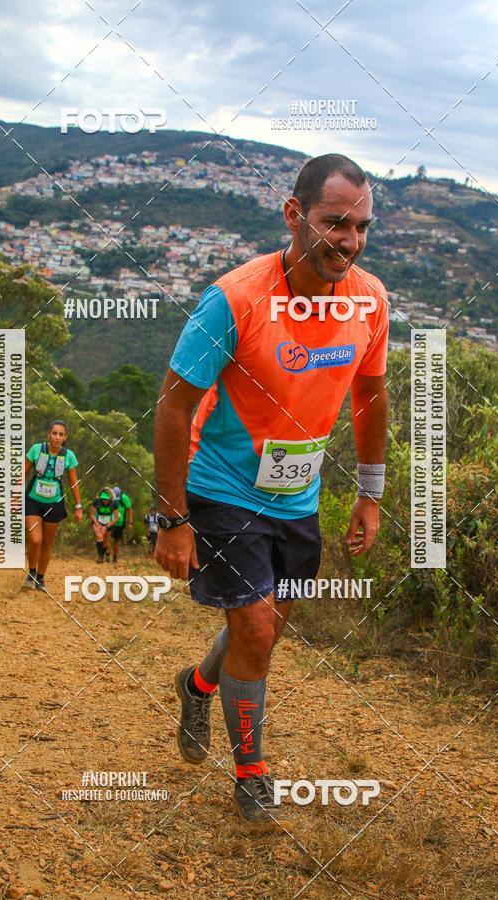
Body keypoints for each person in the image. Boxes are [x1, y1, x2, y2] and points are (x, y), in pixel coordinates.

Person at [154, 154, 389, 830]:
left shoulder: (369, 299)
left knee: (266, 631)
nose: (347, 240)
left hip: (298, 495)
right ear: (294, 215)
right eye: (334, 223)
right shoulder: (235, 298)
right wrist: (171, 516)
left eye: (360, 227)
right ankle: (252, 773)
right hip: (223, 485)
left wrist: (369, 495)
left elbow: (370, 399)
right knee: (254, 626)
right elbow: (173, 407)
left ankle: (197, 684)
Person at [23, 419, 82, 591]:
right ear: (48, 434)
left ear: (65, 437)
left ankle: (40, 578)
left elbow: (73, 482)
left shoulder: (68, 456)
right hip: (33, 500)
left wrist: (78, 506)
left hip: (54, 502)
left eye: (61, 434)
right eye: (54, 433)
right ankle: (31, 573)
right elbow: (23, 473)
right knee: (35, 540)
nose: (57, 437)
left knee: (47, 543)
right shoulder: (36, 449)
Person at [89, 487, 119, 563]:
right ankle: (100, 557)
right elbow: (92, 514)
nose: (104, 501)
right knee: (99, 536)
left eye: (106, 499)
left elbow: (116, 517)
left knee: (106, 541)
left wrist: (107, 526)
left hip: (109, 523)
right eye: (103, 499)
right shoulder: (97, 502)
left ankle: (105, 554)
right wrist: (97, 524)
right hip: (98, 521)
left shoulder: (114, 503)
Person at [110, 486, 133, 563]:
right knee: (107, 538)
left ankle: (115, 556)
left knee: (116, 540)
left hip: (119, 523)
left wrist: (130, 522)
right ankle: (106, 555)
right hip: (109, 522)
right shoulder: (109, 498)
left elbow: (129, 509)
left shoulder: (124, 498)